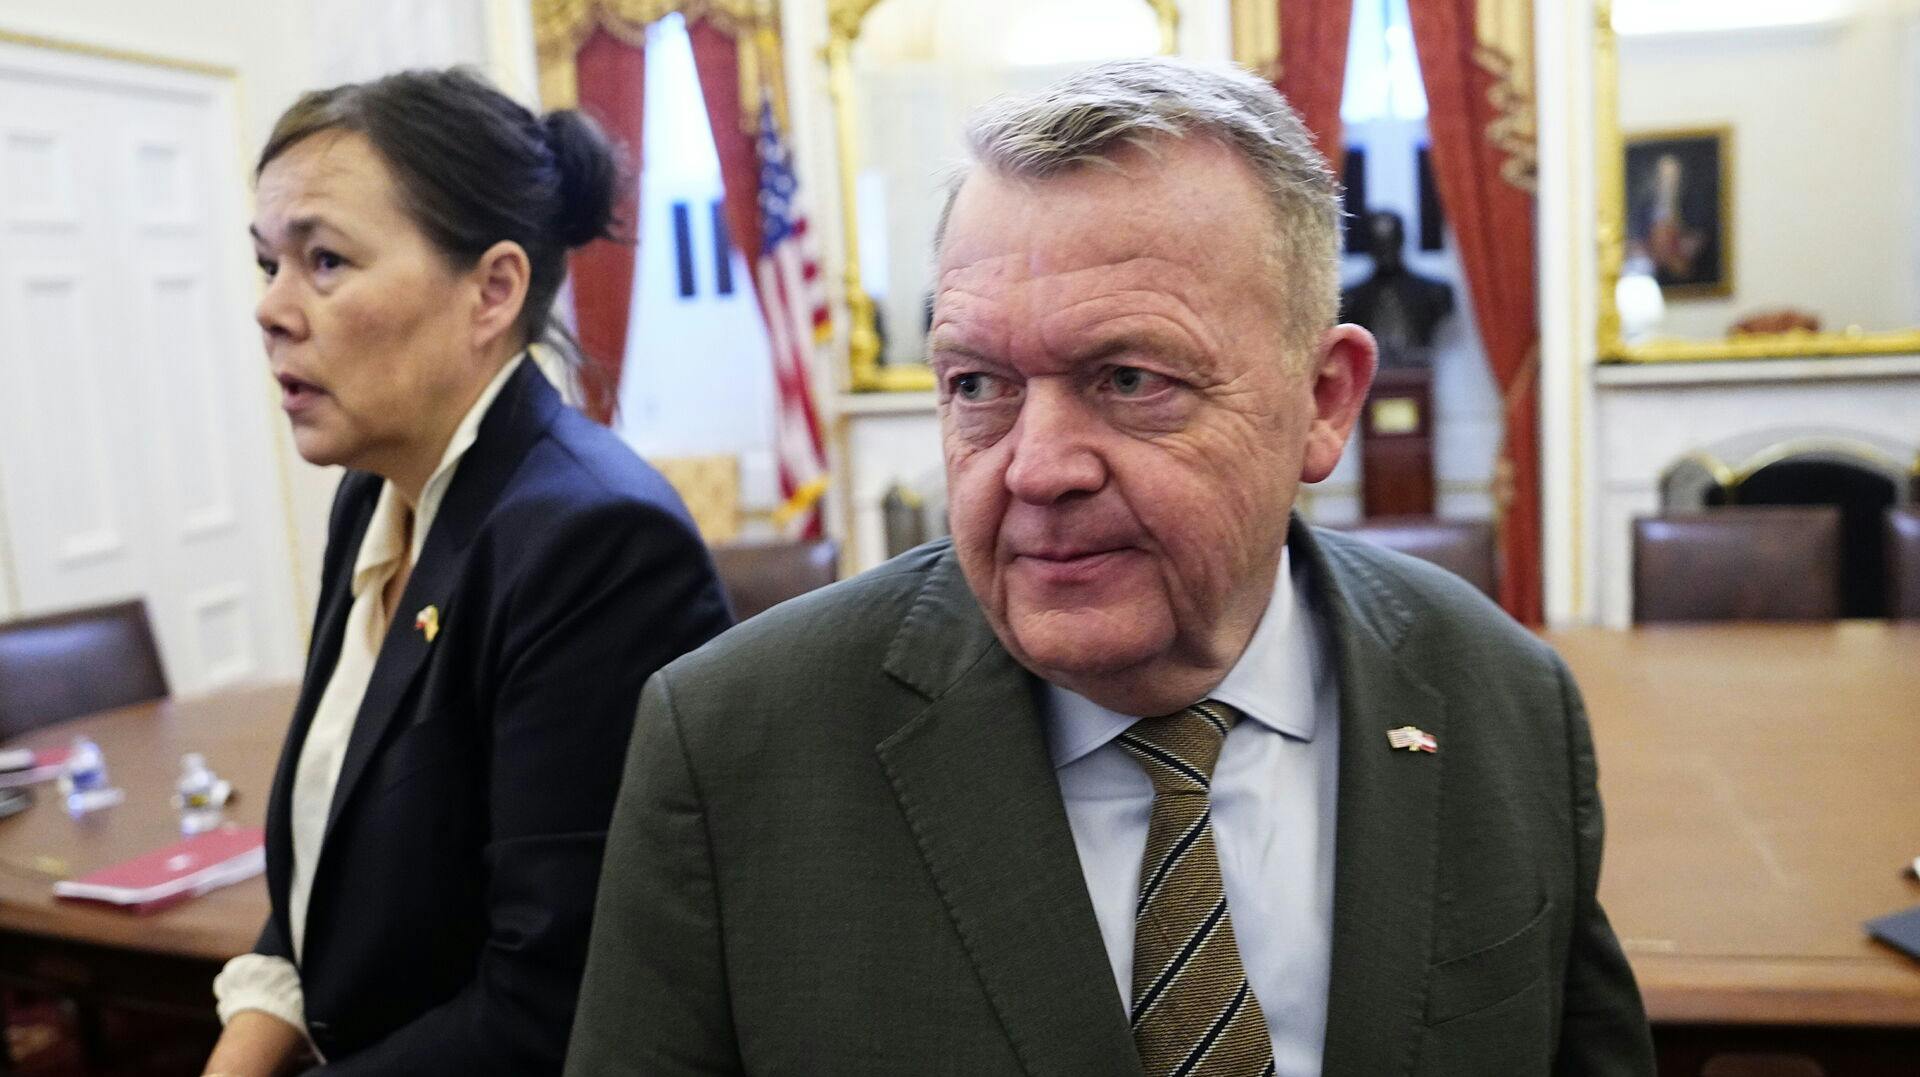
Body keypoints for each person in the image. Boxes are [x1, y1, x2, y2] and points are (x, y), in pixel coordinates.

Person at [566, 59, 1653, 1076]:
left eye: (1129, 378)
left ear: (1324, 400)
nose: (1036, 470)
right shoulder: (732, 747)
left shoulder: (1503, 700)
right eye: (978, 385)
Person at [204, 69, 732, 1076]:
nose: (272, 308)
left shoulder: (596, 544)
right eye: (267, 262)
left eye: (323, 260)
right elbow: (326, 876)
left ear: (492, 290)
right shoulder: (378, 492)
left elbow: (548, 1013)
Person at [1339, 209, 1454, 368]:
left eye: (1390, 243)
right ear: (1369, 246)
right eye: (1379, 245)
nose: (1386, 253)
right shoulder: (1351, 298)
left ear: (1401, 241)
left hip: (1416, 370)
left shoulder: (1435, 293)